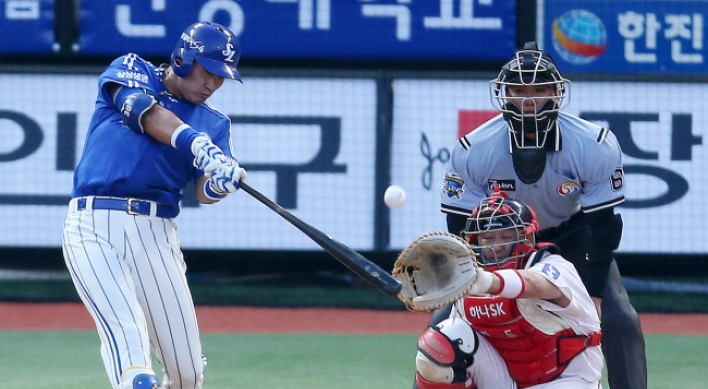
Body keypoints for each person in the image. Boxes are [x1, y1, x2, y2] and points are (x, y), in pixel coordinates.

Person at [435, 42, 647, 389]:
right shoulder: (473, 150)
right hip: (504, 241)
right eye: (519, 90)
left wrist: (593, 292)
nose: (528, 100)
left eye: (539, 90)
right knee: (442, 326)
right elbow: (461, 226)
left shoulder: (593, 143)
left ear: (556, 93)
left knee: (620, 319)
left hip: (575, 236)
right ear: (504, 94)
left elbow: (605, 225)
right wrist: (467, 276)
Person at [61, 22, 246, 389]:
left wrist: (220, 183)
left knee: (188, 373)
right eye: (206, 70)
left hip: (157, 235)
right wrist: (193, 142)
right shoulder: (133, 69)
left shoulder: (216, 123)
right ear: (182, 58)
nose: (212, 83)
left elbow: (204, 190)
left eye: (220, 77)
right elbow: (145, 112)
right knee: (129, 344)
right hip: (94, 224)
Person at [415, 190, 603, 389]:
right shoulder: (472, 280)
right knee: (439, 343)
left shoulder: (554, 265)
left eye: (505, 237)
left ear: (528, 239)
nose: (496, 246)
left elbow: (535, 284)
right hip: (507, 382)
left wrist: (486, 281)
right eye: (487, 239)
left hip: (568, 381)